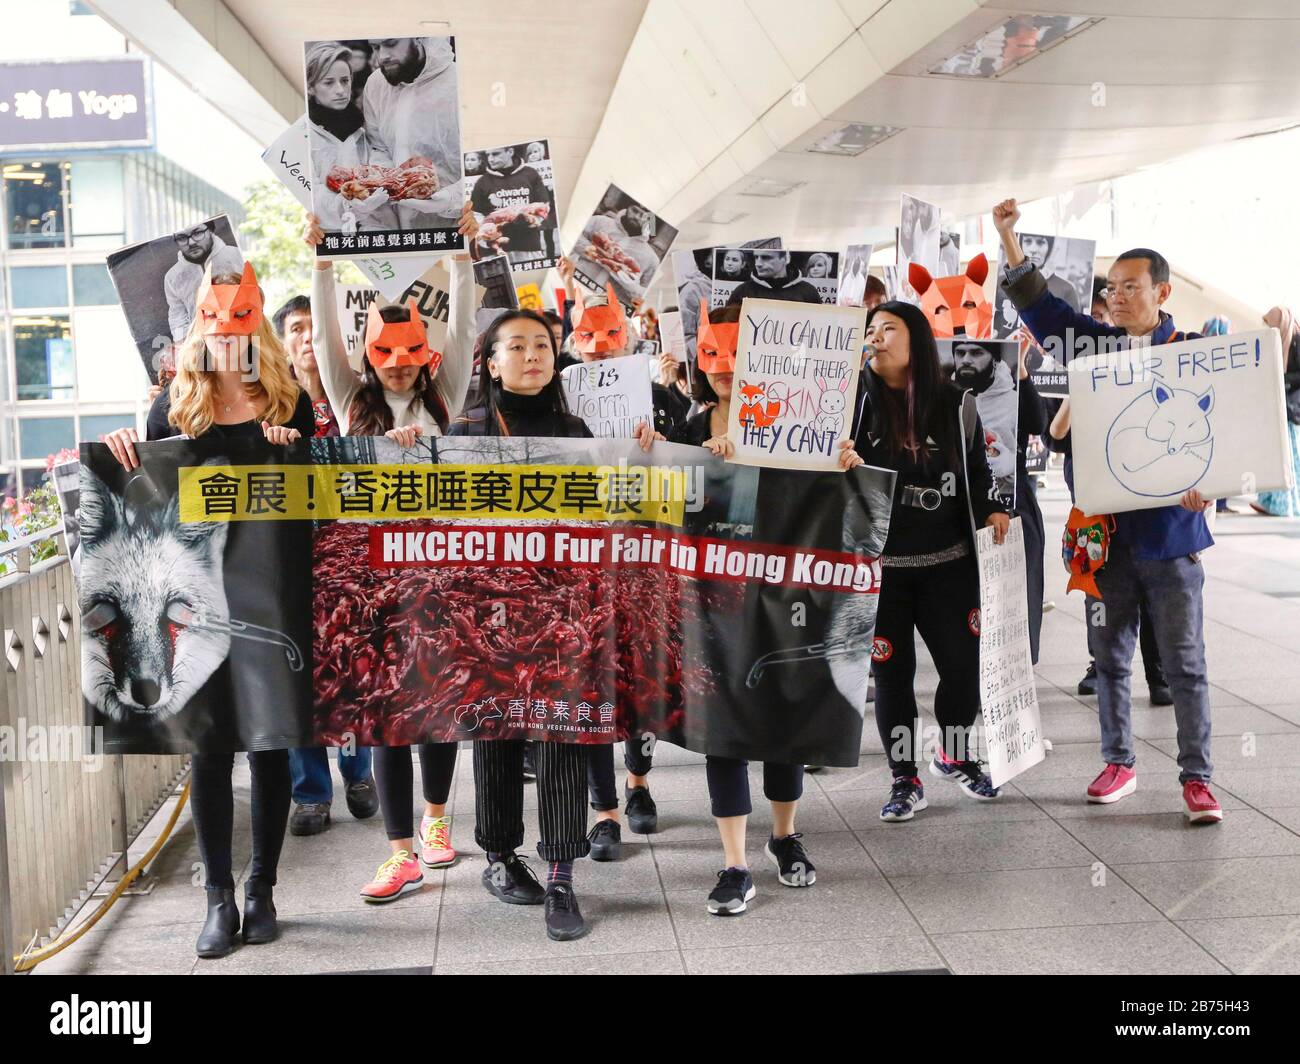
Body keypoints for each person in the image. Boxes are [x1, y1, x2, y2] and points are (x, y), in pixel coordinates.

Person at [100, 263, 316, 959]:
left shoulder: (289, 400)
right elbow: (147, 498)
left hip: (271, 595)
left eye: (241, 317)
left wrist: (295, 451)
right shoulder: (174, 405)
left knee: (271, 742)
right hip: (196, 601)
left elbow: (315, 497)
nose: (228, 332)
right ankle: (219, 897)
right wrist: (121, 454)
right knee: (211, 750)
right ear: (199, 324)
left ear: (256, 322)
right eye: (215, 319)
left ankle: (263, 891)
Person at [995, 197, 1222, 822]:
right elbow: (1042, 309)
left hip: (1173, 538)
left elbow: (1224, 434)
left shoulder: (1197, 352)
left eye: (1130, 287)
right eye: (1112, 288)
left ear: (1162, 290)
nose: (1116, 297)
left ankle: (1198, 778)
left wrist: (1214, 483)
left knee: (1185, 664)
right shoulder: (1093, 348)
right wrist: (1009, 240)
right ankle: (1118, 761)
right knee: (1111, 655)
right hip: (1105, 537)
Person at [304, 204, 480, 897]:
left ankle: (436, 824)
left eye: (413, 356)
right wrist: (321, 263)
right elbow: (322, 337)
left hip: (440, 573)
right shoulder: (351, 402)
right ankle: (400, 847)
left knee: (438, 702)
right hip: (373, 576)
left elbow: (465, 324)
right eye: (386, 355)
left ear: (428, 356)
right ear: (368, 354)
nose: (401, 369)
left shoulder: (447, 395)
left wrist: (463, 255)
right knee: (383, 710)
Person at [669, 305, 866, 913]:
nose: (725, 369)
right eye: (713, 356)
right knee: (722, 724)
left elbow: (822, 502)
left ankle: (785, 836)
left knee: (786, 718)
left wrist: (844, 467)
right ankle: (734, 863)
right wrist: (696, 461)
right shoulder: (686, 425)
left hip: (788, 593)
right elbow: (665, 503)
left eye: (737, 355)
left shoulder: (792, 421)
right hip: (712, 599)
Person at [446, 309, 599, 941]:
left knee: (563, 732)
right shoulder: (464, 430)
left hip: (561, 604)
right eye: (518, 345)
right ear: (490, 358)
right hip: (490, 607)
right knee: (497, 733)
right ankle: (501, 855)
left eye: (543, 344)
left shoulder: (578, 428)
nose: (533, 354)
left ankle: (561, 871)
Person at [852, 301, 1010, 824]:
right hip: (881, 570)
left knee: (963, 670)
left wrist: (993, 509)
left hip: (951, 564)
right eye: (870, 330)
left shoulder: (954, 402)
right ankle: (905, 779)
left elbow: (978, 467)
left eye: (887, 329)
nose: (875, 337)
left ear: (916, 340)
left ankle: (955, 753)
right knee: (893, 676)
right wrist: (841, 462)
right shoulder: (849, 404)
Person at [270, 293, 379, 834]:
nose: (308, 337)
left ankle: (359, 770)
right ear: (281, 341)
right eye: (296, 328)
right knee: (298, 672)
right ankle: (310, 792)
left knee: (352, 664)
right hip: (289, 562)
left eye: (318, 327)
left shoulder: (359, 400)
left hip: (353, 554)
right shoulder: (266, 402)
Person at [362, 37, 463, 232]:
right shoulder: (376, 85)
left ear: (419, 37)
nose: (382, 56)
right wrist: (381, 185)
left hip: (457, 229)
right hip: (397, 227)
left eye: (391, 44)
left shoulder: (459, 83)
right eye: (375, 47)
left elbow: (479, 163)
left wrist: (450, 198)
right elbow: (379, 146)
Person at [304, 41, 378, 233]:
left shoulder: (366, 132)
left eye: (345, 80)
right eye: (329, 82)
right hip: (328, 241)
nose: (340, 90)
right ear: (311, 88)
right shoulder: (303, 138)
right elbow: (314, 202)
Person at [469, 143, 553, 261]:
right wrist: (486, 228)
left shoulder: (530, 174)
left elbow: (544, 205)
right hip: (494, 252)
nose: (491, 159)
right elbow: (475, 212)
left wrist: (529, 220)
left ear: (510, 152)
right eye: (488, 155)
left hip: (528, 247)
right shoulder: (482, 181)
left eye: (496, 153)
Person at [1253, 306, 1300, 517]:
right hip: (1279, 407)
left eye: (1271, 323)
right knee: (1275, 456)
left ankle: (1282, 504)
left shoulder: (1297, 342)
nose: (1268, 327)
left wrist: (1283, 385)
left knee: (1286, 458)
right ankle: (1271, 501)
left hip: (1290, 410)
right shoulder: (1278, 342)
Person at [164, 222, 243, 343]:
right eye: (182, 238)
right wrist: (183, 343)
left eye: (197, 233)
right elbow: (177, 315)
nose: (191, 242)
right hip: (203, 345)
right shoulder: (173, 276)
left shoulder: (236, 255)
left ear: (211, 230)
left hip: (243, 335)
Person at [573, 200, 661, 304]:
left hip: (607, 305)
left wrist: (629, 284)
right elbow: (573, 234)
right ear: (628, 208)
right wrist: (590, 249)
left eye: (644, 216)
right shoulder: (600, 221)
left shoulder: (651, 259)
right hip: (575, 284)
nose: (637, 217)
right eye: (635, 211)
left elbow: (645, 295)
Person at [725, 249, 821, 305]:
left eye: (766, 258)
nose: (758, 264)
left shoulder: (808, 292)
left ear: (786, 258)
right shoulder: (742, 291)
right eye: (756, 257)